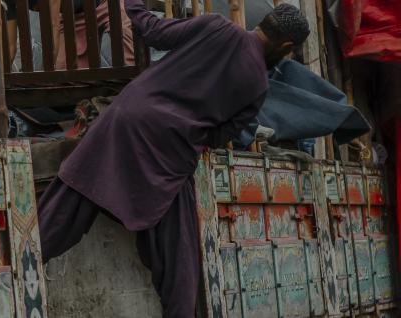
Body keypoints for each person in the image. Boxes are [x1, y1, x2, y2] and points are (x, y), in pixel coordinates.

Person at [38, 2, 310, 317]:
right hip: (169, 150)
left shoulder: (215, 25)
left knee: (64, 210)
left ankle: (19, 260)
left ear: (265, 22)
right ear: (286, 46)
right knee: (177, 254)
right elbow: (221, 135)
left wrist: (133, 5)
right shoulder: (258, 86)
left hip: (124, 121)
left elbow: (154, 32)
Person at [4, 0, 134, 69]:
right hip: (72, 16)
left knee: (127, 47)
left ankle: (135, 88)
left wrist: (47, 70)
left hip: (108, 5)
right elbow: (10, 47)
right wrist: (1, 80)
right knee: (66, 72)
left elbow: (52, 25)